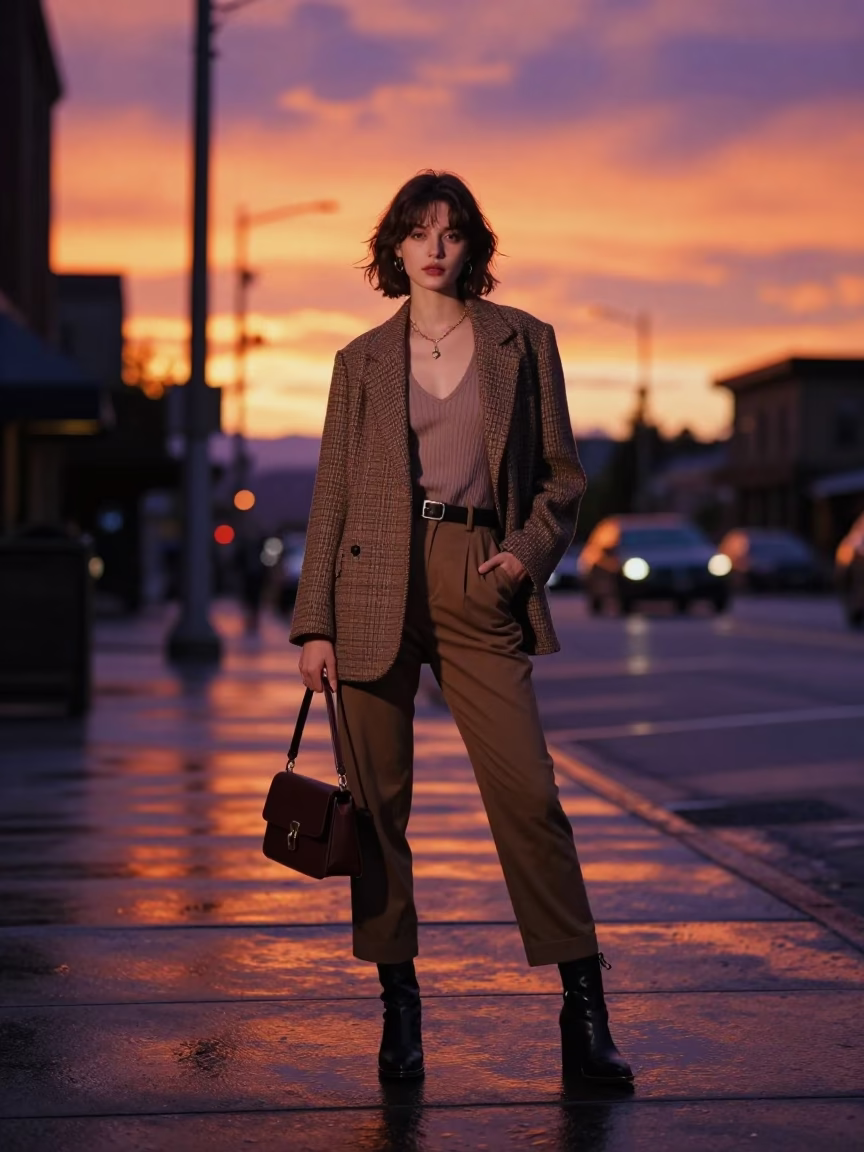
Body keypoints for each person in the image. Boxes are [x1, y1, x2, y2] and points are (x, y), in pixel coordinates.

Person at [291, 171, 633, 1086]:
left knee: (529, 798)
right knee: (377, 810)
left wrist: (526, 553)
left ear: (473, 246)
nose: (434, 246)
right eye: (417, 231)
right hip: (371, 584)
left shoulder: (524, 342)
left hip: (481, 578)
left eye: (450, 231)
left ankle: (584, 1012)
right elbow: (330, 496)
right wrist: (312, 622)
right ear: (393, 249)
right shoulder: (359, 361)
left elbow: (564, 476)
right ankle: (400, 1009)